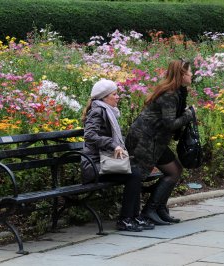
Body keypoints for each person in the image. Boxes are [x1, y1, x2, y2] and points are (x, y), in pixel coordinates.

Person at [125, 59, 194, 225]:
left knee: (176, 169)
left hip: (155, 140)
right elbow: (170, 123)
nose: (192, 75)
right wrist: (189, 114)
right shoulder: (170, 94)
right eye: (190, 72)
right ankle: (146, 211)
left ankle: (158, 208)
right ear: (182, 74)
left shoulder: (176, 92)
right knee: (160, 173)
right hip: (145, 140)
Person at [81, 79, 155, 232]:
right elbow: (89, 135)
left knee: (136, 171)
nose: (117, 97)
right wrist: (113, 145)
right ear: (104, 97)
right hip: (94, 165)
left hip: (105, 161)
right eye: (114, 94)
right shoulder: (98, 111)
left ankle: (133, 216)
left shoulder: (107, 110)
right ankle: (125, 219)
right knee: (133, 174)